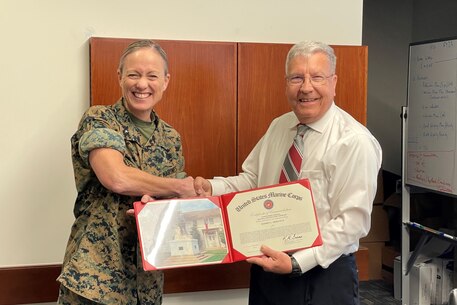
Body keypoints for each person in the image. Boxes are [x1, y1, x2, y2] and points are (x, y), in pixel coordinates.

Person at [194, 41, 382, 305]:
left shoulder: (354, 142)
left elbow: (352, 223)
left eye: (317, 77)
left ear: (333, 82)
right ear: (286, 83)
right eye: (297, 78)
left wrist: (296, 263)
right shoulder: (279, 127)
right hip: (268, 269)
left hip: (322, 273)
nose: (306, 87)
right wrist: (211, 189)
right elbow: (251, 182)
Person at [57, 40, 196, 305]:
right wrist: (176, 187)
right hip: (95, 279)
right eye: (133, 74)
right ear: (120, 76)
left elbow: (177, 205)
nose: (142, 84)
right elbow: (116, 177)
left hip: (146, 283)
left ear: (165, 81)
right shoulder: (100, 119)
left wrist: (162, 201)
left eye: (152, 75)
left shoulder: (170, 138)